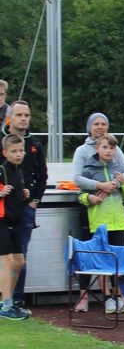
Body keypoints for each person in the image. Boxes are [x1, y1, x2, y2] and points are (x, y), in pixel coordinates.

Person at [72, 112, 124, 312]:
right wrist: (100, 186)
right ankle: (85, 296)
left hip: (115, 214)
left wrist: (115, 184)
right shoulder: (82, 151)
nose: (100, 127)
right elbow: (77, 179)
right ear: (89, 127)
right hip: (92, 210)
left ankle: (116, 294)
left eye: (103, 124)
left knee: (116, 255)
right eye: (96, 124)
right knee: (91, 253)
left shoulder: (115, 148)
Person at [0, 100, 48, 316]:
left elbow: (42, 175)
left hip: (23, 210)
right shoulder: (2, 145)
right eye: (19, 114)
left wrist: (33, 198)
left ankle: (15, 299)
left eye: (27, 115)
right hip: (3, 212)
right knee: (6, 258)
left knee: (20, 258)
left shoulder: (35, 145)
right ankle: (6, 302)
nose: (24, 119)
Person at [0, 134, 30, 320]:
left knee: (19, 262)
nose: (18, 154)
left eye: (21, 151)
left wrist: (23, 193)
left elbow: (16, 194)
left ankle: (6, 300)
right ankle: (6, 304)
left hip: (15, 222)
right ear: (5, 153)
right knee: (7, 261)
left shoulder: (19, 172)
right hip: (2, 221)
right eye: (14, 151)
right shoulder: (2, 170)